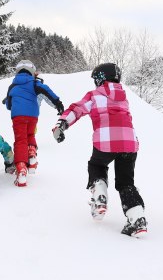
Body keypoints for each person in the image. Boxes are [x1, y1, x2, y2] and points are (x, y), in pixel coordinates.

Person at [52, 63, 147, 238]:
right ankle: (137, 219)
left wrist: (61, 124)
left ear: (101, 78)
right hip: (129, 143)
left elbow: (77, 109)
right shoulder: (123, 97)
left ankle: (100, 194)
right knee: (126, 183)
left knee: (96, 165)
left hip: (106, 141)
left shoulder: (95, 95)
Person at [2, 60, 64, 187]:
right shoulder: (35, 83)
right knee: (30, 135)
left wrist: (13, 105)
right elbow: (46, 91)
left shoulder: (12, 86)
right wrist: (58, 104)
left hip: (18, 116)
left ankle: (21, 169)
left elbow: (8, 104)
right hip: (32, 116)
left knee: (20, 140)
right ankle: (31, 153)